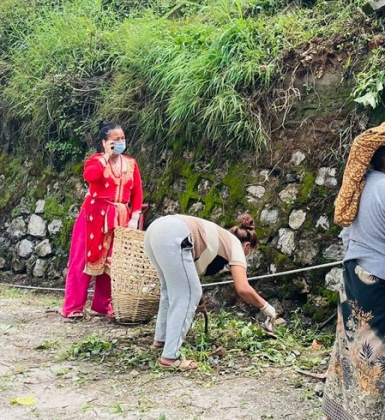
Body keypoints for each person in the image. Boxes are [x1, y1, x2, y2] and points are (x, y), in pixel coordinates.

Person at [323, 121, 385, 420]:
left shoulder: (357, 185)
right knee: (375, 362)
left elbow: (346, 234)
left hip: (353, 278)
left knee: (348, 351)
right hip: (381, 288)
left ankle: (337, 412)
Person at [143, 213, 278, 370]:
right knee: (188, 295)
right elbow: (243, 288)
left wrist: (197, 297)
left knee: (170, 290)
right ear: (247, 246)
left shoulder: (221, 239)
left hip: (155, 230)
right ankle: (170, 357)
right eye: (250, 253)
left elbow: (186, 277)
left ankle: (161, 341)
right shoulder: (236, 247)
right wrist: (267, 308)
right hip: (175, 233)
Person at [62, 121, 143, 320]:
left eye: (123, 138)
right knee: (82, 259)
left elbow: (137, 192)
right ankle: (73, 306)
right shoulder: (95, 160)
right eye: (116, 139)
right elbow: (91, 176)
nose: (121, 142)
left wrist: (135, 216)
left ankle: (101, 304)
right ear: (105, 142)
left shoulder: (131, 163)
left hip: (120, 216)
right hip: (94, 215)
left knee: (112, 262)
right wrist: (106, 156)